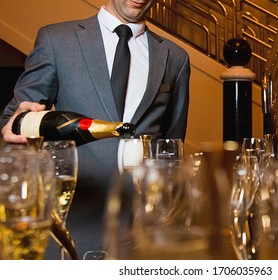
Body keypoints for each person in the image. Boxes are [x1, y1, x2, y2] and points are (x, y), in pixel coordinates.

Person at [0, 0, 190, 259]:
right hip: (70, 230)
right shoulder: (57, 40)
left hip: (140, 237)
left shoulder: (175, 58)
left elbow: (172, 151)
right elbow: (13, 122)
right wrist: (16, 124)